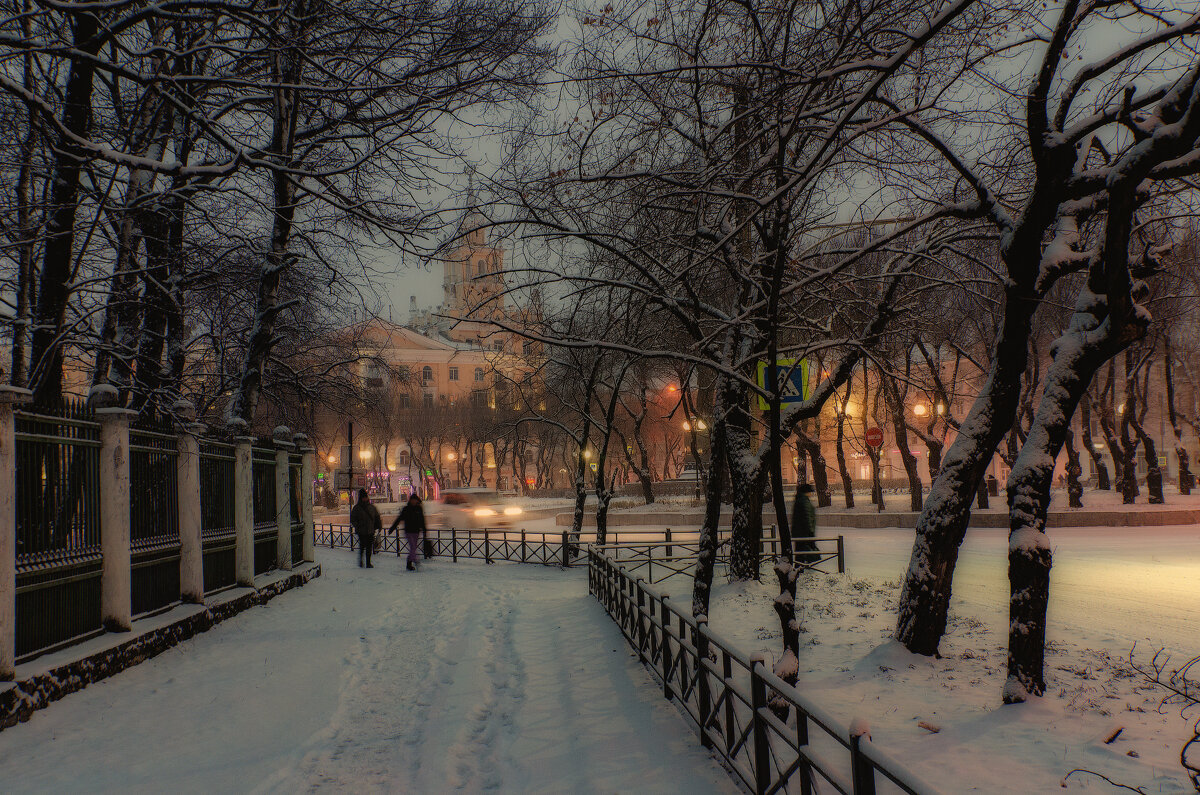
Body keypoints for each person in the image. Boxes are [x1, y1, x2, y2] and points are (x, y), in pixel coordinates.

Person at [391, 494, 427, 571]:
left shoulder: (419, 509)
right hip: (408, 531)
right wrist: (392, 528)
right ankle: (416, 561)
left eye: (415, 500)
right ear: (410, 500)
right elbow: (399, 518)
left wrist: (424, 530)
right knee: (413, 547)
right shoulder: (406, 509)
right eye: (412, 500)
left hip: (416, 531)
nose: (414, 501)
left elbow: (422, 520)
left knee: (413, 548)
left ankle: (409, 564)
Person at [350, 489, 381, 568]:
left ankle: (368, 562)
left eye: (366, 497)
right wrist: (358, 525)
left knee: (369, 548)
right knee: (362, 547)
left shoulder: (371, 507)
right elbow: (353, 519)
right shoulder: (357, 508)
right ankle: (361, 561)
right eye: (363, 497)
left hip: (370, 530)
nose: (365, 499)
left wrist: (379, 525)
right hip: (361, 531)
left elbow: (377, 517)